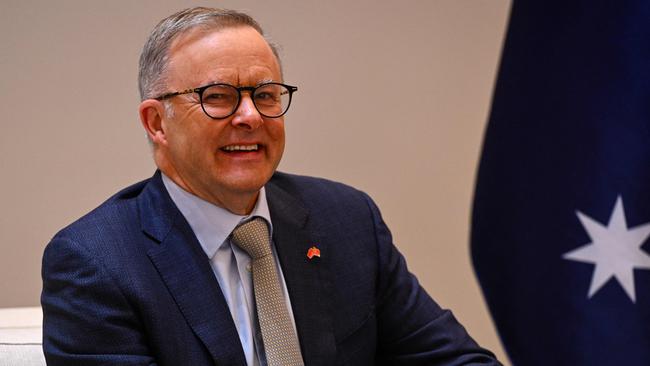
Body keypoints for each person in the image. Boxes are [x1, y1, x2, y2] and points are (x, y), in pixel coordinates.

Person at [41, 7, 500, 366]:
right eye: (217, 96)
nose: (250, 117)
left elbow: (452, 358)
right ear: (157, 122)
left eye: (265, 95)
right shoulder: (96, 263)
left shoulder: (346, 218)